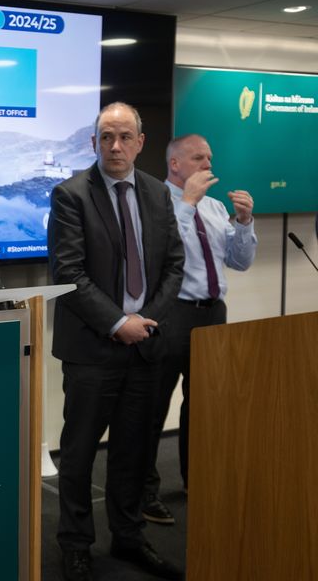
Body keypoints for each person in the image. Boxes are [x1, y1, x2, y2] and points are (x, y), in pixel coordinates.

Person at [48, 102, 185, 581]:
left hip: (145, 345)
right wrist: (116, 323)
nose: (116, 146)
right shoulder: (70, 196)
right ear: (94, 143)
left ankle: (128, 538)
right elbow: (68, 274)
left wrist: (146, 319)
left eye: (125, 136)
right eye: (106, 137)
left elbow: (173, 265)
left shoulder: (156, 194)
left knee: (134, 451)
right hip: (92, 349)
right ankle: (76, 545)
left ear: (140, 142)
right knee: (80, 455)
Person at [141, 134, 256, 525]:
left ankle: (198, 481)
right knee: (153, 407)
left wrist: (243, 223)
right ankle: (144, 494)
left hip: (212, 313)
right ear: (175, 164)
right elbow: (162, 253)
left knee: (205, 406)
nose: (208, 164)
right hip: (171, 314)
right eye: (198, 158)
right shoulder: (154, 202)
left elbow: (240, 262)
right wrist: (186, 204)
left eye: (210, 157)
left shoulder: (213, 206)